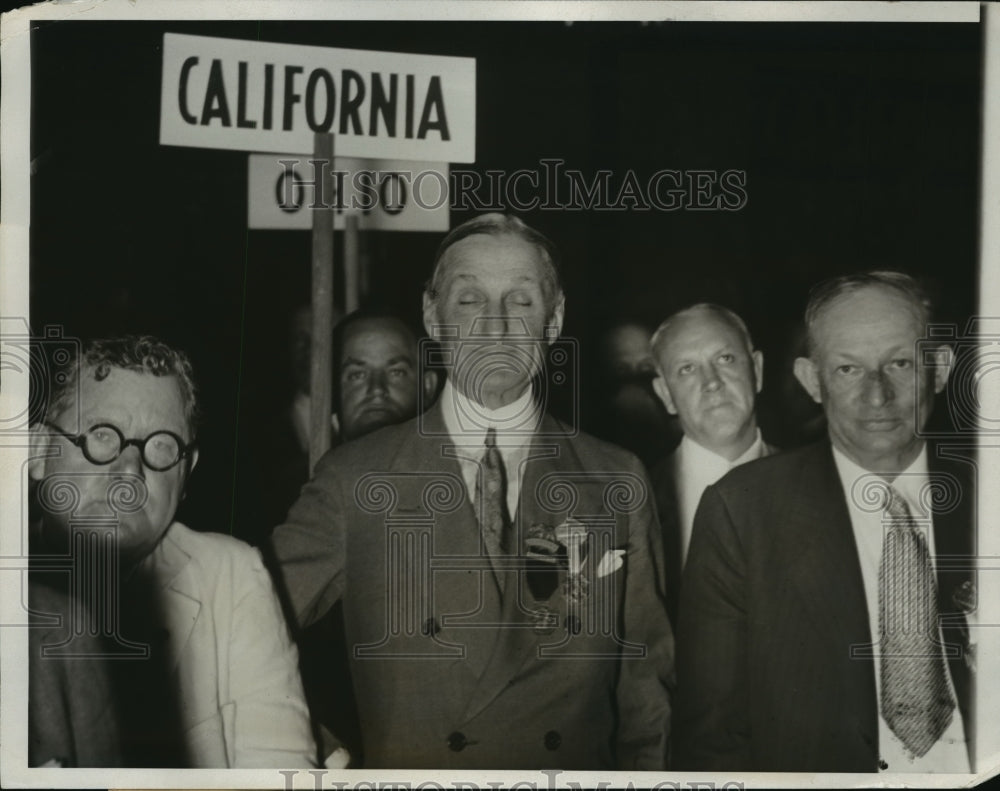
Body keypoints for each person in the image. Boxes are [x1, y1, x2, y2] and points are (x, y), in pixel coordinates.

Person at [270, 213, 673, 770]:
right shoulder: (355, 480)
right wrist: (323, 751)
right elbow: (242, 634)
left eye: (521, 300)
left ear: (554, 321)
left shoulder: (616, 479)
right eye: (469, 299)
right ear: (432, 316)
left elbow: (647, 698)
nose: (495, 324)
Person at [673, 272, 974, 772]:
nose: (877, 396)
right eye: (848, 370)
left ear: (939, 368)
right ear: (812, 381)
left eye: (900, 363)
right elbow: (712, 738)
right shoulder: (743, 513)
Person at [29, 335, 316, 768]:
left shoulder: (229, 577)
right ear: (36, 451)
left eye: (161, 445)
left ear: (186, 474)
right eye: (102, 435)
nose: (129, 472)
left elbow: (281, 772)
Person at [648, 304, 775, 625]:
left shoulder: (824, 489)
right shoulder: (629, 506)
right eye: (687, 369)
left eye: (725, 359)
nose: (712, 382)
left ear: (757, 370)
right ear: (665, 394)